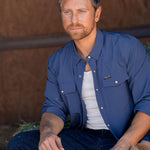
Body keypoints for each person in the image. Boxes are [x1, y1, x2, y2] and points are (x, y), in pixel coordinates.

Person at [8, 0, 150, 149]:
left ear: (97, 14)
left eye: (81, 11)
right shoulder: (57, 61)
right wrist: (47, 135)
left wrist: (125, 144)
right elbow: (54, 108)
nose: (74, 20)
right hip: (84, 138)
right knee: (20, 143)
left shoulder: (127, 47)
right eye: (67, 12)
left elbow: (147, 101)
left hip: (126, 136)